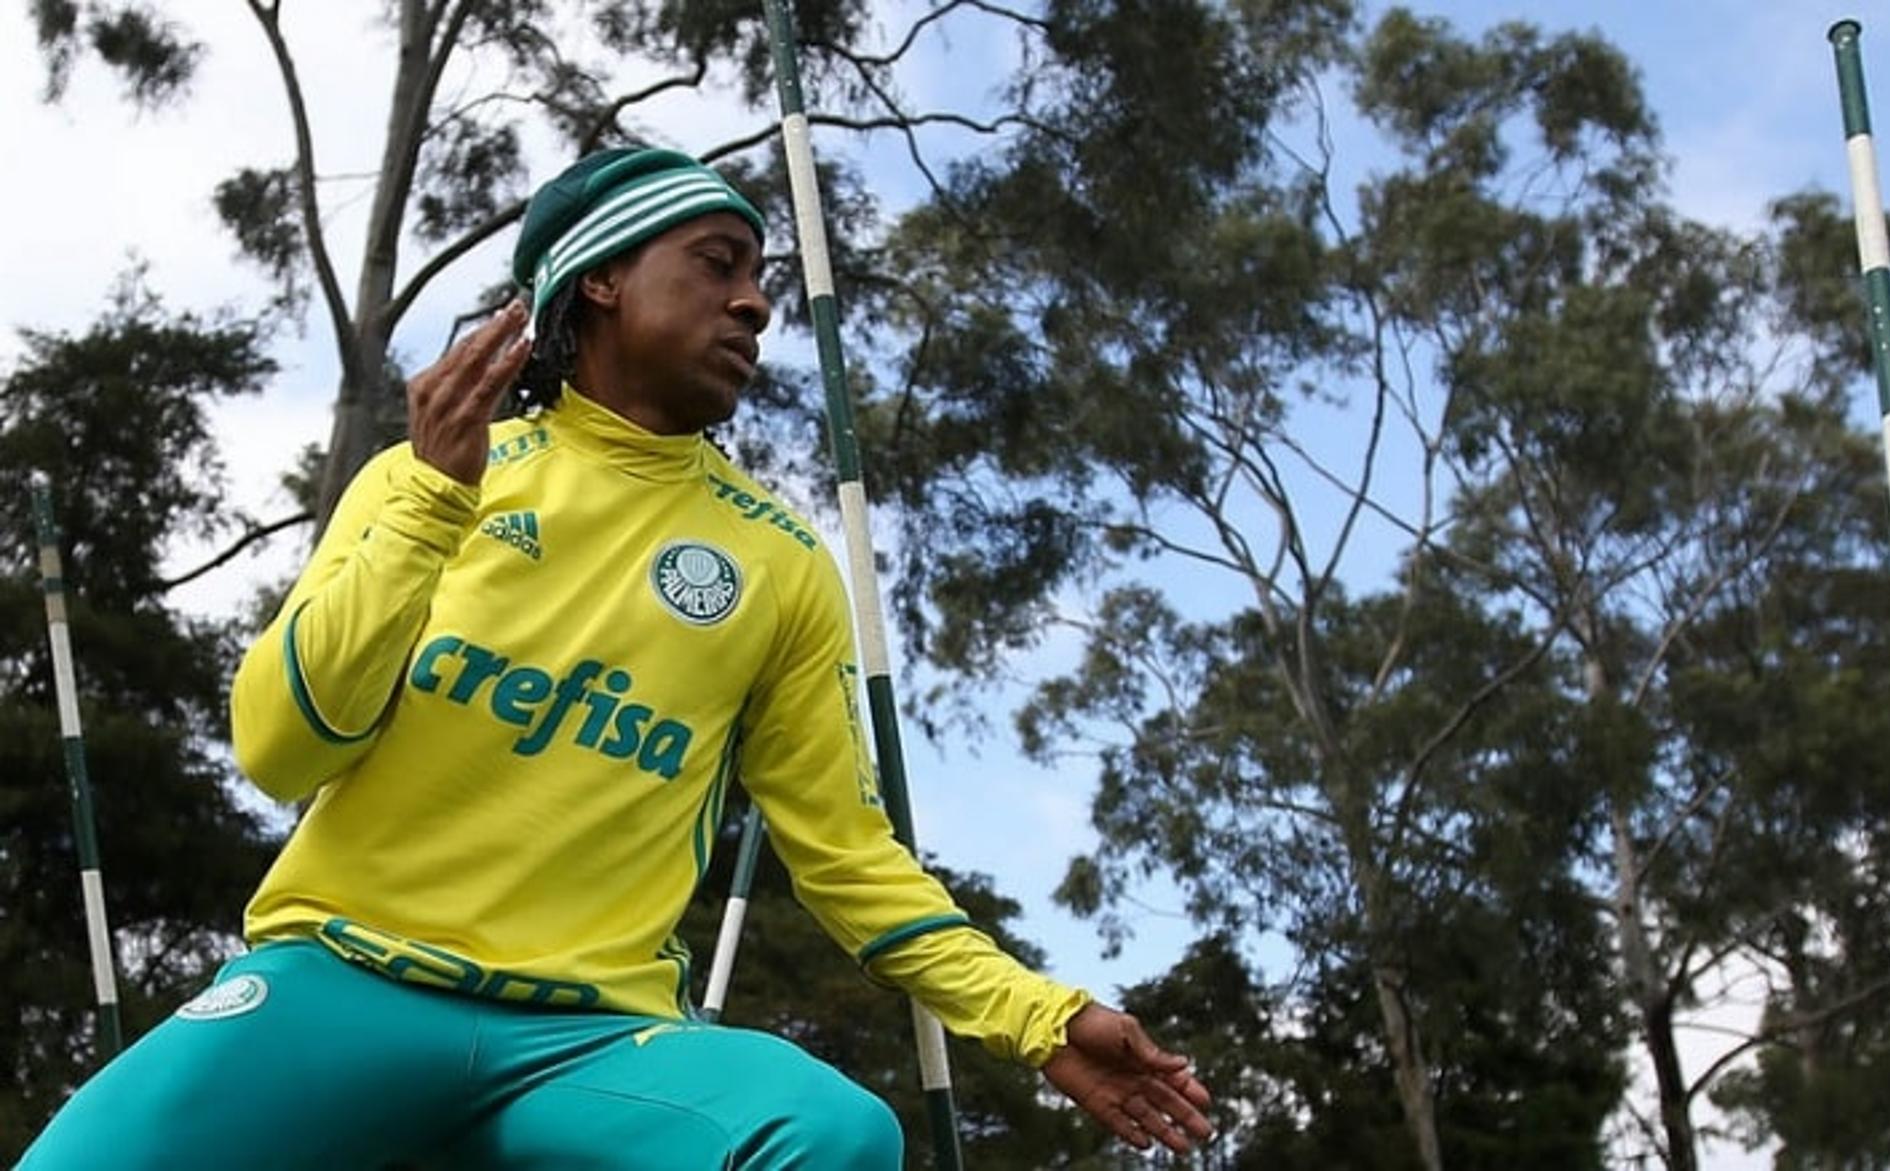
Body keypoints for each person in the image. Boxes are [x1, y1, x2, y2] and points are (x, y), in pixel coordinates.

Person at [20, 148, 1213, 1170]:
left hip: (591, 1047)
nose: (753, 303)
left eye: (761, 280)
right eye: (715, 263)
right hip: (345, 988)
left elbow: (849, 858)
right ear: (598, 277)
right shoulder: (423, 479)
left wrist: (1040, 1018)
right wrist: (436, 499)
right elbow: (281, 748)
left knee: (829, 1132)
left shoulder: (784, 562)